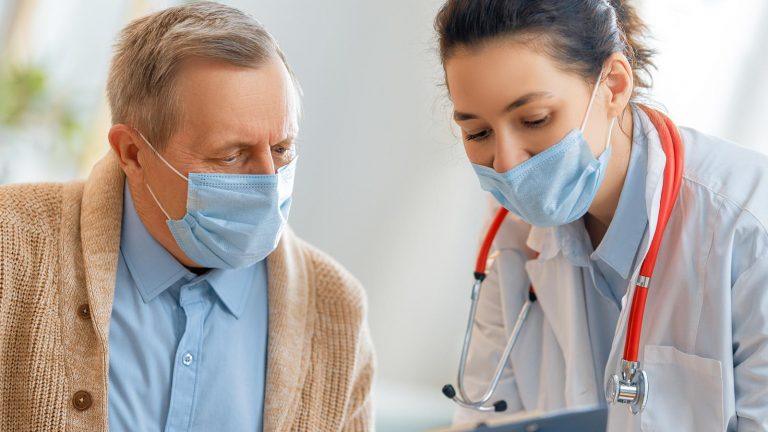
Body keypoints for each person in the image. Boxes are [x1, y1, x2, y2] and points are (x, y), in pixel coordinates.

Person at [0, 2, 373, 431]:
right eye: (231, 156)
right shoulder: (11, 250)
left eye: (281, 149)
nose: (270, 183)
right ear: (132, 153)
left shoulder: (337, 311)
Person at [434, 0, 768, 430]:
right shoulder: (509, 232)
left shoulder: (747, 222)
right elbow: (487, 415)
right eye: (477, 132)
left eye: (534, 119)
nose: (507, 163)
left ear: (612, 85)